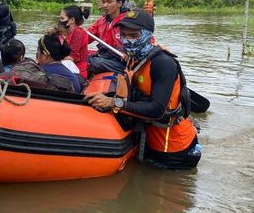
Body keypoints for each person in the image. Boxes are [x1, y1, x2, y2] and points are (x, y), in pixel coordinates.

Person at [85, 9, 201, 170]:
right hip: (149, 140)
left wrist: (112, 102)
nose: (128, 41)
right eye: (124, 35)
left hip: (173, 150)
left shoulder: (163, 63)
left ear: (148, 35)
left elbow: (156, 110)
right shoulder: (134, 57)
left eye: (134, 35)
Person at [0, 39, 74, 91]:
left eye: (37, 50)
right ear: (21, 57)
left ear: (45, 55)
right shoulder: (70, 70)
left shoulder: (5, 74)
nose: (36, 54)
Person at [87, 0, 129, 74]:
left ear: (119, 3)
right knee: (85, 57)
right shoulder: (101, 22)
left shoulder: (130, 22)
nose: (105, 5)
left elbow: (145, 43)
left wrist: (130, 54)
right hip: (106, 58)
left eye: (109, 2)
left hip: (122, 62)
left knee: (95, 62)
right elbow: (85, 38)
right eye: (103, 2)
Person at [59, 5, 90, 79]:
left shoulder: (78, 32)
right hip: (68, 67)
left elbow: (73, 57)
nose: (60, 21)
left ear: (72, 20)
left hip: (77, 71)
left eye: (62, 18)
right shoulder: (66, 33)